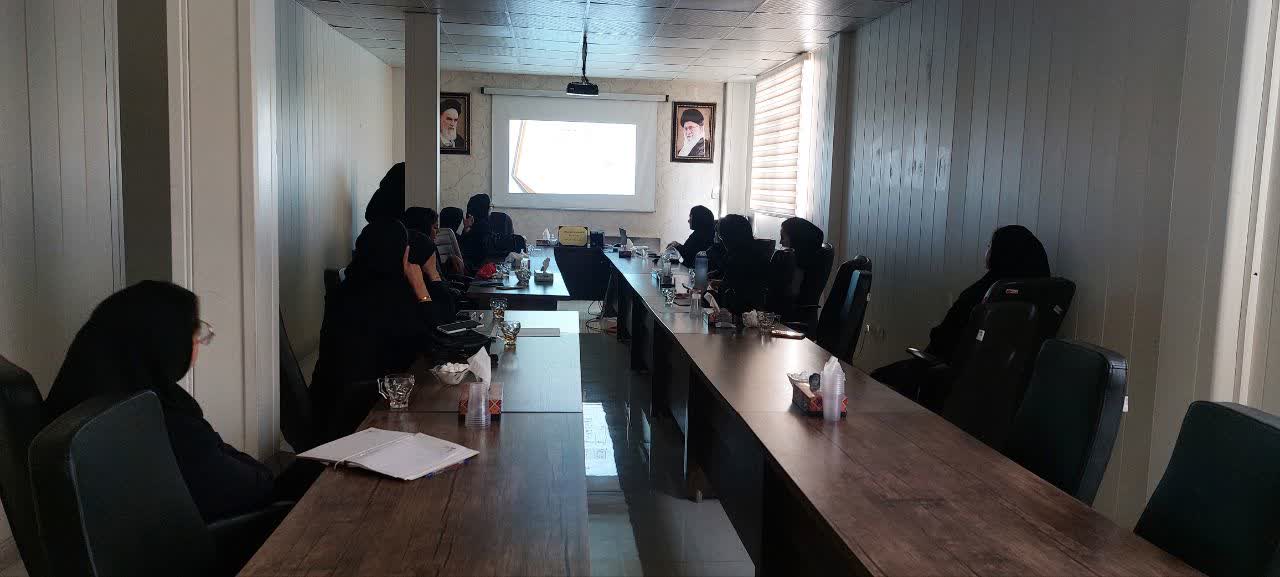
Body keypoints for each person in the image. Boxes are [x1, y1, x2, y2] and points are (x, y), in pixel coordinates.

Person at [44, 281, 291, 523]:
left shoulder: (78, 401)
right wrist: (263, 473)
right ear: (166, 343)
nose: (198, 341)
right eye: (193, 332)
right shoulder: (159, 421)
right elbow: (246, 488)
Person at [870, 224, 1051, 409]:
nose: (987, 250)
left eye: (990, 245)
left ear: (1000, 253)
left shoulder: (983, 294)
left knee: (875, 380)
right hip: (1005, 397)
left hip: (950, 380)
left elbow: (942, 340)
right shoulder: (1041, 298)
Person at [310, 220, 455, 442]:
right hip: (362, 419)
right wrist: (425, 284)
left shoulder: (347, 288)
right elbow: (439, 339)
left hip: (329, 407)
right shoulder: (390, 298)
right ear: (402, 254)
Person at [707, 214, 768, 315]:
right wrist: (719, 282)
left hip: (742, 313)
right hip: (752, 309)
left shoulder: (738, 257)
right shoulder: (756, 251)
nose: (721, 241)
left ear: (729, 237)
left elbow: (734, 291)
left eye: (721, 236)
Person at [405, 207, 464, 276]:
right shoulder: (427, 249)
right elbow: (436, 279)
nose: (438, 231)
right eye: (435, 227)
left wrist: (449, 263)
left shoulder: (404, 248)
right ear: (425, 228)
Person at [458, 193, 494, 271]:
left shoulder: (470, 226)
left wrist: (466, 229)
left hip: (469, 269)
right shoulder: (483, 226)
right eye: (490, 206)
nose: (491, 209)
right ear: (483, 208)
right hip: (478, 271)